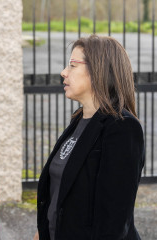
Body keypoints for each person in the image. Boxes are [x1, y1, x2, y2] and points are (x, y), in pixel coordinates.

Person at [35, 35, 145, 240]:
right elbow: (60, 193)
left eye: (72, 65)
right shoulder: (79, 120)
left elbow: (113, 222)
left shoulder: (122, 128)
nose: (63, 72)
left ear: (98, 71)